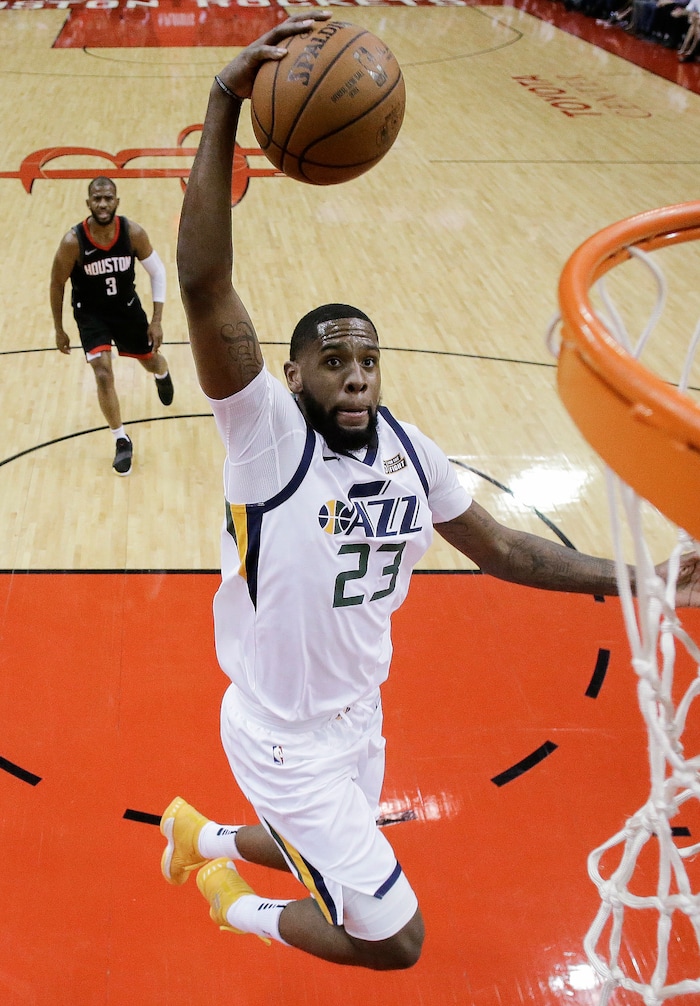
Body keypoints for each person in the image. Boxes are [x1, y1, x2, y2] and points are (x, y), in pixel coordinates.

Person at [161, 12, 700, 971]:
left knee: (319, 848)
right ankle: (226, 901)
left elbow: (506, 549)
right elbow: (204, 284)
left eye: (368, 360)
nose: (357, 376)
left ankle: (194, 837)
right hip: (279, 737)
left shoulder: (413, 452)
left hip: (358, 716)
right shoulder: (265, 439)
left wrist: (647, 575)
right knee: (395, 940)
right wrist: (222, 102)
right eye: (334, 361)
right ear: (292, 379)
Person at [50, 177, 174, 476]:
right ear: (88, 203)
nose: (102, 204)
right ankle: (121, 438)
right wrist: (59, 328)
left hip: (126, 310)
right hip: (91, 315)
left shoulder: (132, 233)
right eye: (97, 198)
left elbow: (158, 272)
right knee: (103, 373)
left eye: (108, 198)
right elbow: (57, 283)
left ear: (116, 202)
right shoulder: (73, 242)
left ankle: (162, 371)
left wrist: (157, 321)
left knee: (149, 360)